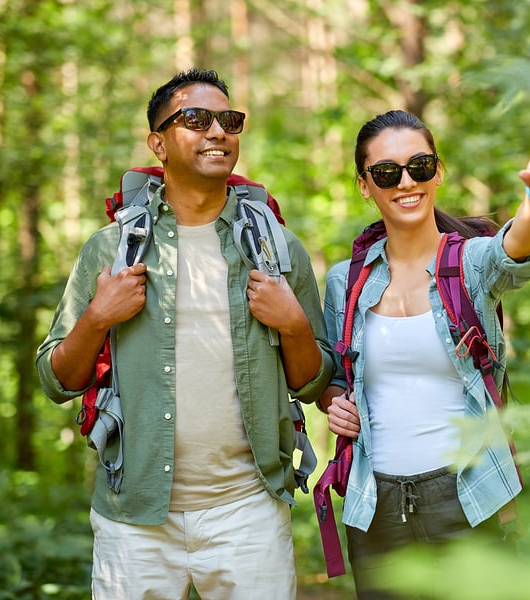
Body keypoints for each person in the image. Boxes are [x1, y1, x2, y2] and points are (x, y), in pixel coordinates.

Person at [36, 67, 333, 599]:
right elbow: (56, 380)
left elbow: (312, 384)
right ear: (159, 143)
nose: (218, 131)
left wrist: (293, 325)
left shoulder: (279, 250)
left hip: (249, 513)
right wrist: (98, 317)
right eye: (196, 119)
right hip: (136, 519)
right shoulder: (109, 249)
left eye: (230, 120)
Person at [318, 109, 530, 598]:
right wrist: (334, 402)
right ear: (365, 185)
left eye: (420, 166)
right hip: (375, 506)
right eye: (387, 172)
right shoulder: (344, 282)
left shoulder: (468, 263)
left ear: (438, 171)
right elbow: (336, 376)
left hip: (468, 495)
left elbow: (512, 251)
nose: (406, 181)